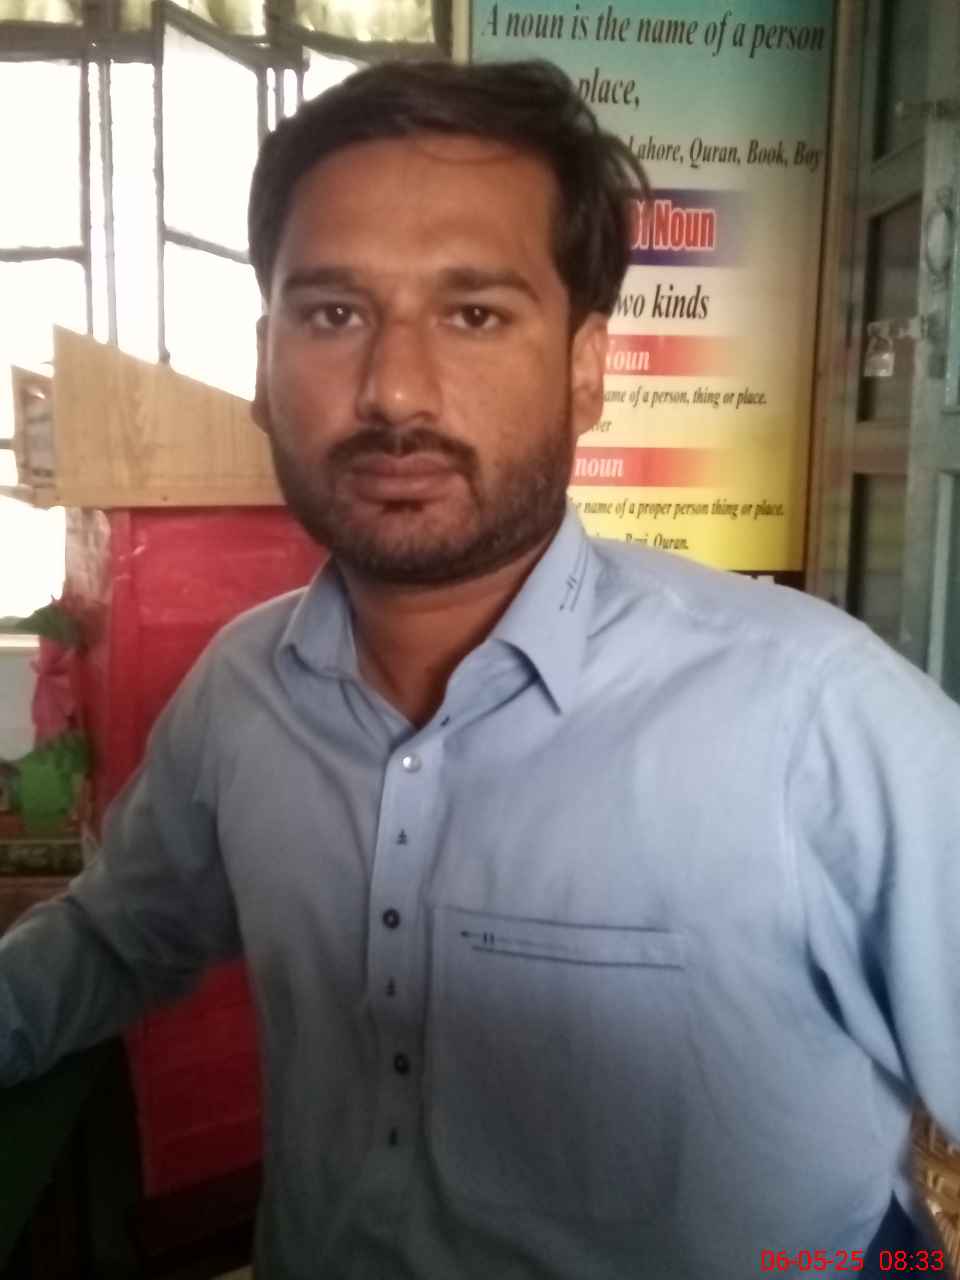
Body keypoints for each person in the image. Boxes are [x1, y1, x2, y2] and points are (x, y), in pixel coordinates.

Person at [1, 58, 958, 1280]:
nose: (394, 391)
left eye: (475, 314)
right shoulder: (243, 693)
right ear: (264, 365)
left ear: (586, 367)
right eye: (333, 313)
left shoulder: (817, 723)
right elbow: (115, 937)